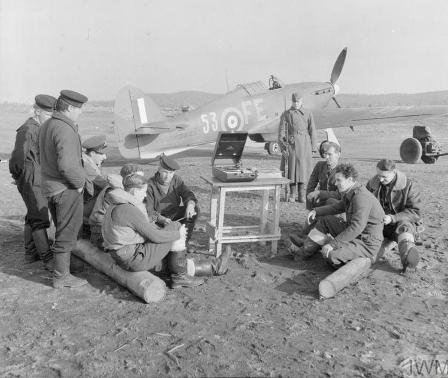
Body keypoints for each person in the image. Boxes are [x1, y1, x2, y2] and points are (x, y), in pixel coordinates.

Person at [102, 173, 229, 289]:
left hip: (126, 255)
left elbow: (144, 230)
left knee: (172, 262)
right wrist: (177, 234)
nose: (145, 195)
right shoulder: (128, 210)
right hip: (134, 258)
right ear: (135, 191)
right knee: (175, 226)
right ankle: (181, 277)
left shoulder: (118, 204)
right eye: (143, 192)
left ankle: (216, 266)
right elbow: (154, 236)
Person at [38, 89, 89, 289]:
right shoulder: (65, 128)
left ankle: (63, 268)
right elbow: (67, 166)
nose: (81, 113)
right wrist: (79, 183)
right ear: (68, 108)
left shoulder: (48, 124)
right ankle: (61, 277)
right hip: (65, 188)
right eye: (78, 109)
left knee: (61, 228)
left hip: (50, 187)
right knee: (67, 231)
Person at [292, 163, 385, 268]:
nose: (335, 184)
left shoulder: (361, 197)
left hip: (366, 242)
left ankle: (329, 249)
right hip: (357, 234)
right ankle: (305, 250)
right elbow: (338, 207)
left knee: (330, 255)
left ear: (349, 180)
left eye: (338, 180)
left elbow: (357, 227)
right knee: (325, 220)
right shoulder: (351, 191)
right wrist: (316, 211)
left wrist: (332, 244)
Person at [9, 94, 56, 267]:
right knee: (40, 216)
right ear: (37, 112)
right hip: (32, 176)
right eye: (48, 115)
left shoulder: (37, 127)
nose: (50, 119)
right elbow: (17, 159)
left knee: (33, 214)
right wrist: (21, 177)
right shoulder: (28, 129)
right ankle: (48, 259)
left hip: (35, 175)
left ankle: (31, 253)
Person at [366, 159, 421, 272]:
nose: (380, 179)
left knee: (404, 227)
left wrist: (393, 218)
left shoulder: (408, 185)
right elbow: (364, 204)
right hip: (378, 224)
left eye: (384, 177)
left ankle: (408, 260)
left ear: (394, 172)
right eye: (378, 175)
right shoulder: (372, 183)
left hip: (399, 223)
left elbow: (415, 212)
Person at [290, 141, 342, 249]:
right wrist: (310, 207)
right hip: (321, 203)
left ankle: (306, 241)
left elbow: (340, 194)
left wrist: (320, 193)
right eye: (325, 154)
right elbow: (311, 185)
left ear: (338, 154)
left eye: (330, 154)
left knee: (323, 213)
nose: (326, 157)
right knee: (310, 220)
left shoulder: (343, 170)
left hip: (337, 206)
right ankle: (304, 238)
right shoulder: (320, 166)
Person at [146, 155, 199, 253]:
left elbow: (187, 193)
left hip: (174, 214)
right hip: (159, 220)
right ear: (158, 170)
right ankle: (165, 243)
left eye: (171, 172)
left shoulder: (176, 180)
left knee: (195, 209)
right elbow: (149, 211)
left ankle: (184, 241)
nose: (168, 176)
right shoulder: (150, 185)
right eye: (165, 172)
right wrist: (161, 219)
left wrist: (190, 205)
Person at [88, 163, 144, 248]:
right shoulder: (118, 192)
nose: (141, 181)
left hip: (104, 231)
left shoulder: (120, 188)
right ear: (128, 178)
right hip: (102, 235)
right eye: (137, 178)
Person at [279, 91, 317, 203]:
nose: (296, 104)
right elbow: (281, 133)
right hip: (291, 145)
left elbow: (312, 130)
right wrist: (283, 147)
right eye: (294, 101)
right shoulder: (286, 114)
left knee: (303, 169)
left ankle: (301, 195)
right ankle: (292, 194)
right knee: (292, 169)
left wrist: (314, 147)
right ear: (292, 101)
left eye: (298, 101)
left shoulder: (308, 113)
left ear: (302, 101)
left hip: (305, 145)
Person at [81, 135, 108, 236]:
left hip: (84, 204)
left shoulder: (89, 162)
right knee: (109, 194)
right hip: (81, 209)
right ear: (92, 153)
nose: (105, 157)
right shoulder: (86, 166)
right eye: (101, 154)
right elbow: (104, 185)